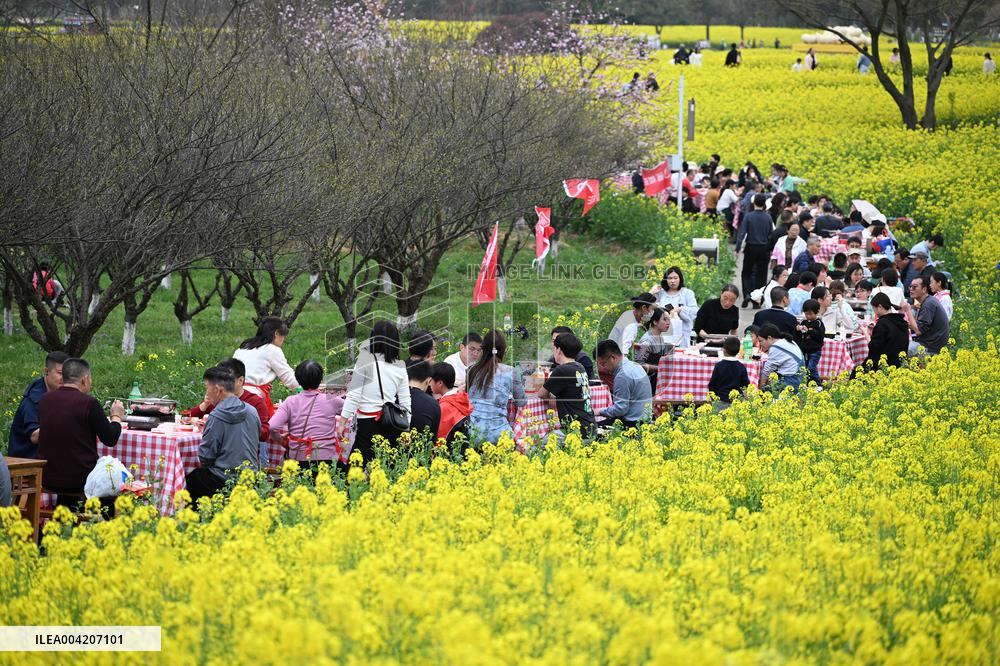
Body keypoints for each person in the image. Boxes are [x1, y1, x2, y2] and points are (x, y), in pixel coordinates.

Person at [38, 358, 125, 510]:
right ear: (85, 380)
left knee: (68, 467)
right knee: (111, 481)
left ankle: (63, 521)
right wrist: (116, 416)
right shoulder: (88, 403)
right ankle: (104, 526)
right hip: (81, 479)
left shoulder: (45, 400)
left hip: (48, 476)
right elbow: (110, 438)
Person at [338, 320, 411, 466]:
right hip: (392, 423)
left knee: (355, 471)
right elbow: (405, 401)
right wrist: (406, 428)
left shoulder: (365, 360)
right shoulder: (400, 366)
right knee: (387, 470)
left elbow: (354, 395)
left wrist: (342, 422)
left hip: (368, 423)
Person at [185, 366, 261, 502]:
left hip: (222, 480)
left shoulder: (217, 416)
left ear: (217, 390)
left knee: (189, 479)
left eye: (207, 387)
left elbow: (205, 458)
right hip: (251, 477)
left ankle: (194, 520)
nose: (206, 393)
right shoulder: (252, 411)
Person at [268, 360, 344, 470]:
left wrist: (280, 440)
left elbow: (272, 426)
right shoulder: (332, 400)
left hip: (298, 459)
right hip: (327, 459)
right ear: (321, 379)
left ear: (298, 380)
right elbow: (350, 410)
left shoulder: (290, 401)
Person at [186, 358, 270, 444]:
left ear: (240, 380)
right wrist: (205, 404)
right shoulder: (217, 396)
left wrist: (237, 426)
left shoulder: (255, 402)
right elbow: (193, 417)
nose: (222, 384)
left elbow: (264, 434)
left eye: (228, 379)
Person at [466, 329, 525, 444]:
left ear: (482, 349)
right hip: (499, 434)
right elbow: (521, 402)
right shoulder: (511, 372)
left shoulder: (471, 370)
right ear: (504, 350)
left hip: (472, 433)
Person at [233, 316, 299, 417]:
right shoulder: (272, 349)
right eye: (283, 336)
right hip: (254, 399)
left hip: (233, 396)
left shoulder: (242, 349)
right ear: (276, 333)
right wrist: (311, 385)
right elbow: (289, 379)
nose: (283, 340)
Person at [8, 351, 68, 458]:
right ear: (46, 371)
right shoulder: (33, 398)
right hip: (27, 461)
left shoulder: (61, 392)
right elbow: (35, 436)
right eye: (60, 373)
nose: (64, 378)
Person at [537, 332, 596, 437]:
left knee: (541, 441)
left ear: (558, 350)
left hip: (576, 432)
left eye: (554, 349)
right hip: (589, 427)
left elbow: (541, 394)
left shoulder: (562, 370)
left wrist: (550, 397)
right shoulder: (580, 367)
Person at [594, 340, 652, 429]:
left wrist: (599, 411)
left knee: (592, 429)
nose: (603, 368)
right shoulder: (635, 366)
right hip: (645, 421)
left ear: (612, 358)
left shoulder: (622, 376)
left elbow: (621, 409)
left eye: (603, 364)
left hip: (632, 425)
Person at [736, 193, 775, 305]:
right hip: (764, 248)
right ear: (764, 204)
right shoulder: (768, 217)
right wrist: (770, 248)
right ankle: (757, 299)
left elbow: (742, 232)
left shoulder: (749, 216)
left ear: (754, 203)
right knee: (761, 274)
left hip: (751, 247)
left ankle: (747, 294)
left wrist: (737, 248)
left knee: (746, 272)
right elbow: (770, 234)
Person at [902, 276, 950, 356]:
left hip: (931, 347)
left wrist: (908, 311)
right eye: (910, 287)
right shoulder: (928, 301)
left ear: (924, 289)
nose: (911, 289)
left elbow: (918, 331)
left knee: (901, 350)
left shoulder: (928, 304)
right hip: (930, 343)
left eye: (914, 287)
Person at [862, 293, 909, 370]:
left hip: (883, 366)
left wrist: (865, 333)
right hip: (899, 365)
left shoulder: (882, 324)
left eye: (874, 309)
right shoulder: (901, 321)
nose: (874, 312)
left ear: (880, 307)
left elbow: (873, 348)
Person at [652, 266, 697, 347]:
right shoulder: (661, 293)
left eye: (675, 278)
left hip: (683, 335)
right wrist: (652, 293)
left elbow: (695, 312)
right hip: (664, 334)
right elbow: (649, 309)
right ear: (666, 279)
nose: (673, 281)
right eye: (670, 278)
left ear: (680, 279)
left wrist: (680, 309)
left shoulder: (687, 293)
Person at [430, 362, 473, 442]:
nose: (429, 383)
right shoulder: (459, 399)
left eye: (431, 380)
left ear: (440, 383)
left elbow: (441, 436)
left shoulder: (445, 407)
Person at [758, 324, 805, 394]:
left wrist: (760, 390)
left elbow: (766, 372)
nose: (760, 344)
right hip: (800, 379)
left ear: (769, 338)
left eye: (761, 341)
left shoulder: (776, 347)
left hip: (791, 381)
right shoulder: (787, 341)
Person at [707, 336, 750, 407]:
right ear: (739, 350)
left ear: (724, 350)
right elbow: (745, 386)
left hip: (720, 400)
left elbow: (712, 385)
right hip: (736, 402)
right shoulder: (741, 367)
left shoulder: (719, 366)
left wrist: (712, 399)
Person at [405, 360, 441, 440]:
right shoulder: (433, 404)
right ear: (428, 381)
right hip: (420, 450)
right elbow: (432, 439)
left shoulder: (394, 398)